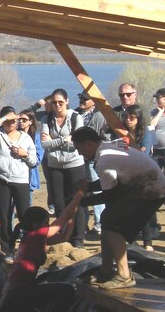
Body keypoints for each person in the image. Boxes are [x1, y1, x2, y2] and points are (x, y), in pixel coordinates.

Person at [72, 127, 165, 289]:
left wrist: (81, 202)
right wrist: (89, 187)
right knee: (108, 219)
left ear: (89, 144)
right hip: (146, 185)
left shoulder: (104, 160)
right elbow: (112, 183)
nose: (80, 154)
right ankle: (106, 270)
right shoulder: (109, 148)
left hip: (151, 190)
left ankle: (124, 275)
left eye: (80, 149)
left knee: (111, 223)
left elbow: (110, 195)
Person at [0, 189, 83, 312]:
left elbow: (64, 237)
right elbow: (61, 221)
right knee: (67, 290)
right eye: (46, 223)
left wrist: (73, 217)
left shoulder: (32, 238)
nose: (48, 226)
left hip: (14, 294)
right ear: (36, 225)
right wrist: (79, 194)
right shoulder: (36, 236)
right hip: (20, 294)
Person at [0, 106, 37, 262]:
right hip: (1, 180)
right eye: (8, 121)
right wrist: (2, 119)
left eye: (14, 120)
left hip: (20, 181)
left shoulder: (25, 138)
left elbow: (33, 161)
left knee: (24, 215)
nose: (11, 123)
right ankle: (7, 249)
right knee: (5, 216)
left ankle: (27, 247)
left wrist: (24, 154)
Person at [40, 88, 86, 248]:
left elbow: (78, 143)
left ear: (67, 101)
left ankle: (78, 238)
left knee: (77, 200)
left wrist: (54, 140)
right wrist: (64, 139)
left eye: (60, 102)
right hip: (54, 165)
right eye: (54, 102)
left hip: (75, 163)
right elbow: (44, 144)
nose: (57, 105)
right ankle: (63, 235)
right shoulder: (46, 119)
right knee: (59, 202)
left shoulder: (75, 117)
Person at [123, 105, 155, 250]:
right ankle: (131, 241)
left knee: (143, 210)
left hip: (144, 175)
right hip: (127, 174)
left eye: (132, 117)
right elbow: (119, 151)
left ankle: (148, 243)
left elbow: (145, 153)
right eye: (126, 116)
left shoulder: (146, 132)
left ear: (139, 118)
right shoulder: (122, 132)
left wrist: (131, 150)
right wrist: (136, 149)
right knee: (129, 210)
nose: (128, 120)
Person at [76, 91, 105, 235]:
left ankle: (100, 222)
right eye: (81, 98)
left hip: (93, 158)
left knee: (96, 188)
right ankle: (84, 224)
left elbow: (99, 135)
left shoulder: (99, 115)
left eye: (85, 99)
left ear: (93, 101)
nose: (82, 101)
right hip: (79, 159)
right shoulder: (76, 114)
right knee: (84, 190)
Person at [18, 109, 44, 202]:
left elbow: (38, 157)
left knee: (27, 202)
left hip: (29, 174)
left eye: (24, 120)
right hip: (15, 173)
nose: (21, 121)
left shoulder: (36, 136)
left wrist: (25, 156)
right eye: (19, 119)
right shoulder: (14, 134)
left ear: (31, 121)